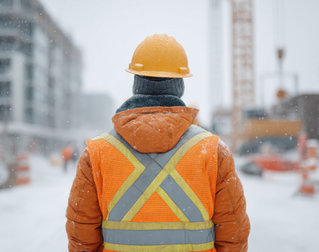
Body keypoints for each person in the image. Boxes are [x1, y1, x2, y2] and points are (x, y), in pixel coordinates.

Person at [66, 34, 250, 252]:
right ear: (180, 86)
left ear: (136, 85)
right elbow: (233, 234)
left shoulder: (96, 153)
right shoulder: (213, 151)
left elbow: (81, 236)